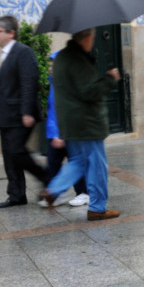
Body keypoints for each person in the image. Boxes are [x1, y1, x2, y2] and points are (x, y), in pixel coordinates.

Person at [39, 28, 120, 221]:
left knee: (78, 162)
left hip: (69, 123)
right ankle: (97, 208)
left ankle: (53, 190)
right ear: (87, 38)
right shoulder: (78, 59)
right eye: (92, 36)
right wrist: (110, 79)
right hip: (87, 123)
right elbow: (89, 91)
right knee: (98, 165)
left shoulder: (60, 58)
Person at [0, 15, 49, 208]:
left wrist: (27, 112)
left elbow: (29, 83)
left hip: (20, 115)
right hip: (5, 116)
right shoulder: (0, 56)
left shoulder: (23, 52)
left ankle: (46, 177)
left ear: (11, 33)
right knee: (10, 156)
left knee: (16, 151)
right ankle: (16, 195)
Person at [42, 51, 88, 207]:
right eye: (50, 64)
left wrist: (60, 133)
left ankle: (84, 193)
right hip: (56, 131)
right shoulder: (56, 84)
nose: (50, 68)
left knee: (75, 162)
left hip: (67, 132)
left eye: (54, 65)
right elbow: (53, 109)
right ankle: (56, 192)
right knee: (53, 162)